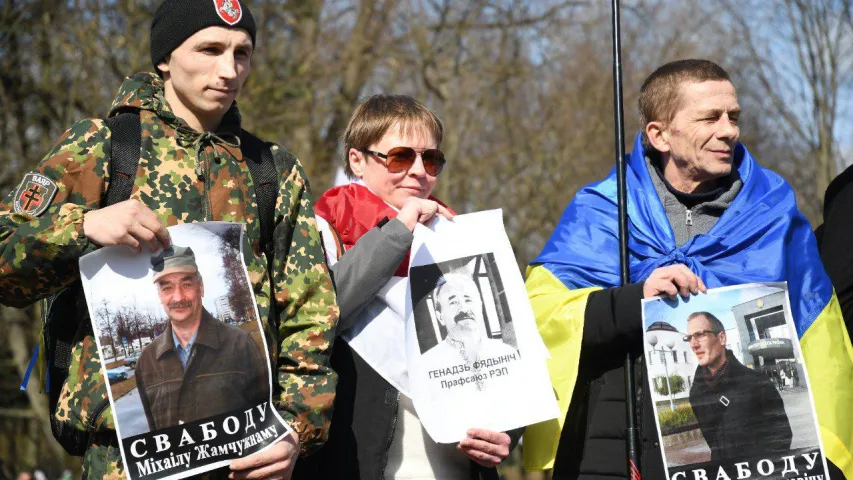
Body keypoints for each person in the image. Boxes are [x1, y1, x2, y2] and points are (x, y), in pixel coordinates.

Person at [0, 0, 338, 478]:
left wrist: (296, 427)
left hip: (248, 456)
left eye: (242, 53)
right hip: (124, 456)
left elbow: (310, 311)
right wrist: (83, 228)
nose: (229, 70)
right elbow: (5, 260)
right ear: (165, 58)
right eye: (210, 49)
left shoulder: (271, 169)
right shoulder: (105, 146)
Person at [524, 59, 853, 479]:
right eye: (709, 118)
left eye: (733, 117)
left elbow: (821, 340)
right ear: (659, 135)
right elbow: (538, 319)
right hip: (606, 454)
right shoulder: (602, 210)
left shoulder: (774, 215)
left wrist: (829, 458)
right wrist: (634, 299)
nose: (729, 130)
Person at [294, 94, 519, 480]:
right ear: (356, 160)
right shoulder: (317, 233)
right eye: (400, 157)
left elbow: (510, 356)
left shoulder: (464, 240)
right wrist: (399, 231)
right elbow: (324, 315)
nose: (419, 171)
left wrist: (509, 432)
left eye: (431, 159)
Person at [135, 246, 268, 430]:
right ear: (160, 296)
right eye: (167, 288)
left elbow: (266, 423)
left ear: (201, 287)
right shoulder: (146, 362)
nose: (178, 297)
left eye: (186, 285)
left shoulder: (241, 344)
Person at [685, 312, 791, 461]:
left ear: (721, 338)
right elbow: (713, 442)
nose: (693, 345)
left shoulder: (757, 383)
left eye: (700, 335)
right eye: (689, 338)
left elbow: (781, 436)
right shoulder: (696, 393)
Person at [420, 272, 518, 389]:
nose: (464, 308)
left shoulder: (507, 353)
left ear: (480, 306)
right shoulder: (427, 365)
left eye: (468, 300)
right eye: (453, 302)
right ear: (440, 316)